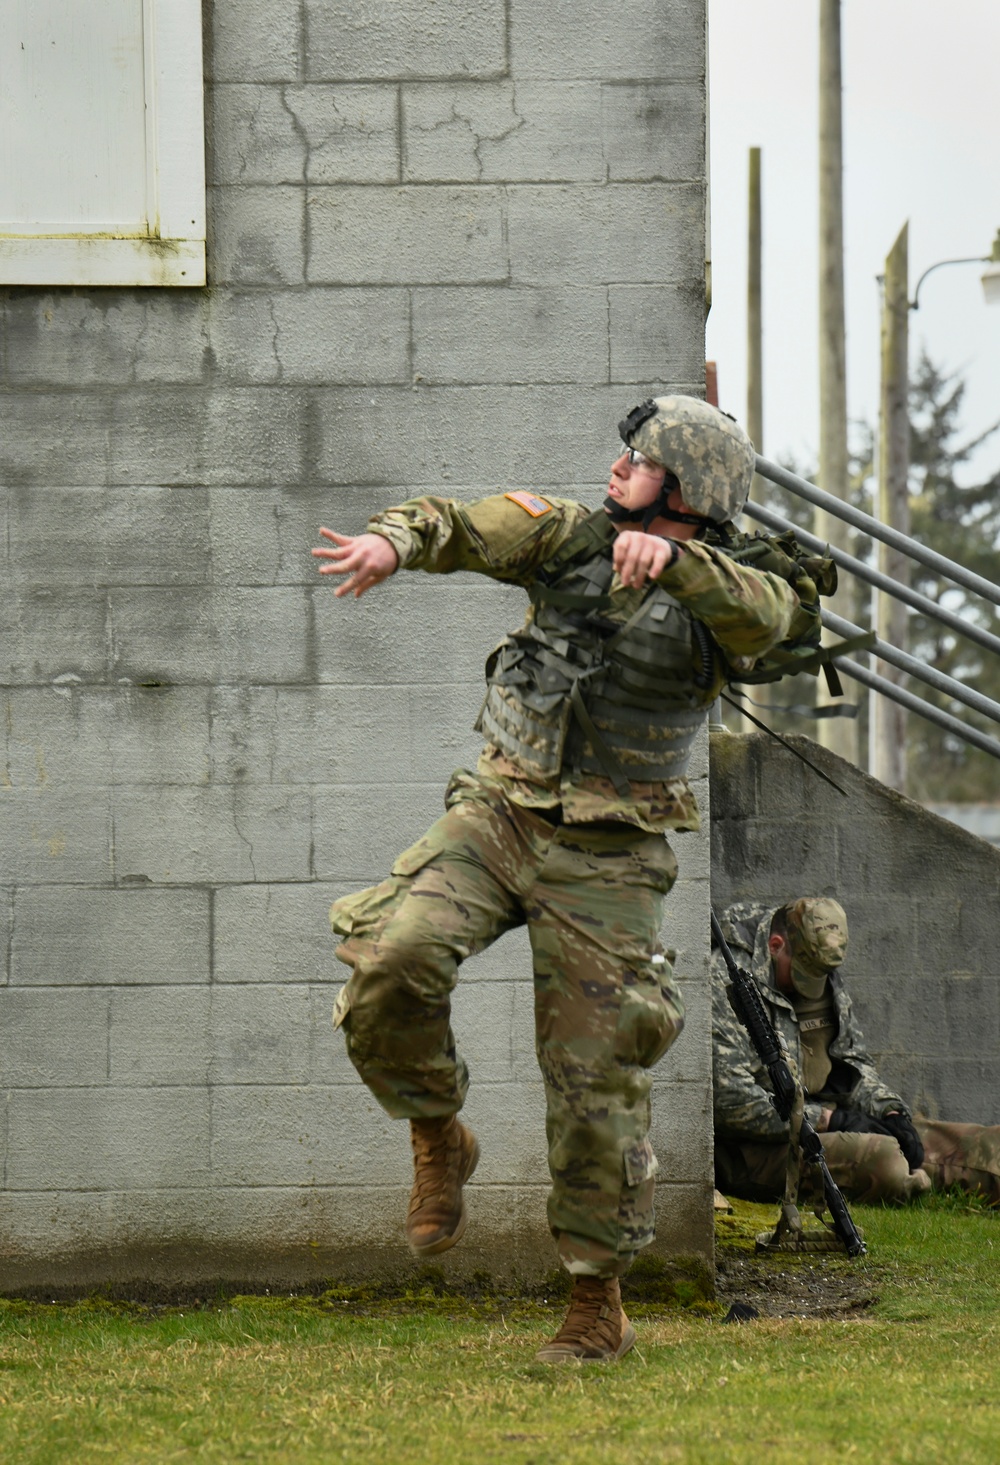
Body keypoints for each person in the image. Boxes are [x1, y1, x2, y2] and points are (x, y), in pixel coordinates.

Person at [313, 396, 801, 1362]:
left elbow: (770, 623)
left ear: (689, 490)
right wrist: (393, 545)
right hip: (500, 811)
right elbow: (458, 521)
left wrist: (684, 567)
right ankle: (438, 1134)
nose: (618, 467)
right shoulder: (571, 538)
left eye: (641, 459)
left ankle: (596, 1301)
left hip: (613, 853)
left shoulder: (738, 591)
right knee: (391, 960)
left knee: (594, 1072)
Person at [712, 898, 1000, 1207]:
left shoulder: (817, 965)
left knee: (985, 1145)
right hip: (758, 1146)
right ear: (775, 945)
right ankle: (918, 1172)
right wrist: (826, 1120)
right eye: (802, 974)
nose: (812, 985)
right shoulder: (724, 979)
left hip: (832, 1119)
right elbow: (728, 1099)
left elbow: (852, 1064)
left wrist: (889, 1111)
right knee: (886, 1161)